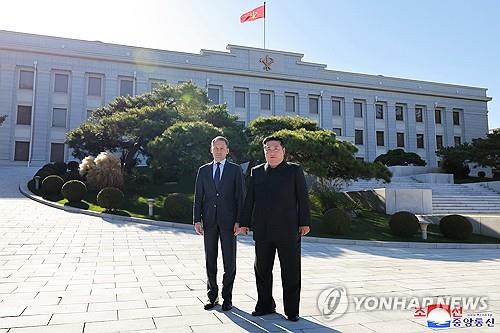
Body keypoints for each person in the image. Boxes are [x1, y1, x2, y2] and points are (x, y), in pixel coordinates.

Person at [240, 136, 311, 322]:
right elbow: (250, 199)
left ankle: (292, 310)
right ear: (264, 151)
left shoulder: (294, 171)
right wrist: (245, 222)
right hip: (263, 230)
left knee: (291, 271)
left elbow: (303, 198)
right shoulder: (256, 172)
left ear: (283, 151)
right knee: (262, 270)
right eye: (268, 149)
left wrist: (304, 222)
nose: (271, 152)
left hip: (288, 230)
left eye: (275, 148)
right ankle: (265, 305)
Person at [193, 136, 245, 311]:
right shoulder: (203, 170)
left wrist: (240, 220)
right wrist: (196, 219)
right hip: (208, 221)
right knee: (210, 260)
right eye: (216, 148)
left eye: (222, 148)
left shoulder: (235, 170)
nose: (219, 151)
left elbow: (240, 198)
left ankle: (227, 298)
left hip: (229, 222)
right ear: (211, 150)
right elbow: (198, 197)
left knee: (229, 261)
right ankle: (212, 296)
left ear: (227, 151)